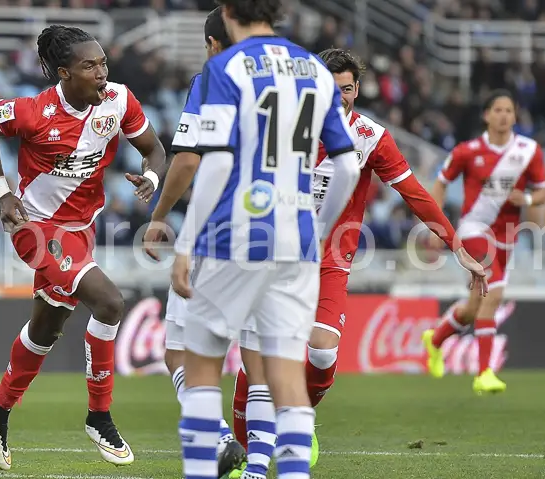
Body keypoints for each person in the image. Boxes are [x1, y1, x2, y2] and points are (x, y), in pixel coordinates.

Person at [229, 48, 488, 472]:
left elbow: (415, 194)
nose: (339, 97)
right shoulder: (282, 126)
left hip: (330, 259)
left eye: (346, 89)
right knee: (254, 363)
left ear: (357, 90)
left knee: (323, 352)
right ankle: (245, 459)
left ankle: (299, 416)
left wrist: (457, 246)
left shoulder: (370, 136)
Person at [170, 1, 363, 477]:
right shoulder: (315, 71)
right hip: (295, 241)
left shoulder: (225, 66)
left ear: (231, 13)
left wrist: (186, 240)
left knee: (200, 370)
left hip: (235, 235)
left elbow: (213, 162)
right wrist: (316, 231)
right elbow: (348, 164)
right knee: (284, 374)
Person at [0, 25, 166, 471]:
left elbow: (155, 151)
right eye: (89, 66)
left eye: (103, 63)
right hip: (35, 230)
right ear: (64, 73)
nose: (101, 73)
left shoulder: (118, 100)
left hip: (81, 230)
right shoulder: (34, 112)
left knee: (47, 328)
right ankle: (99, 415)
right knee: (110, 302)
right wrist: (2, 192)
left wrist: (150, 179)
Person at [142, 7, 246, 478]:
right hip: (277, 227)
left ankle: (220, 436)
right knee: (264, 351)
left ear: (210, 43)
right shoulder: (284, 79)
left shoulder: (213, 77)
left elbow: (186, 161)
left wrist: (159, 216)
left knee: (180, 350)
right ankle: (269, 451)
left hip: (217, 225)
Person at [423, 89, 545, 394]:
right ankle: (484, 373)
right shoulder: (468, 151)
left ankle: (435, 338)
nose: (504, 115)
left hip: (507, 237)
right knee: (491, 296)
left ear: (515, 115)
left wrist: (527, 197)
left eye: (509, 110)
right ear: (486, 115)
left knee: (473, 307)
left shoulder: (529, 151)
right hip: (474, 230)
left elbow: (542, 191)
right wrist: (436, 227)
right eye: (498, 110)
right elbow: (440, 182)